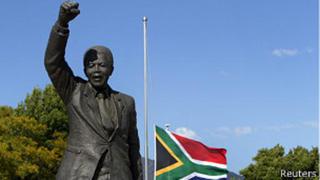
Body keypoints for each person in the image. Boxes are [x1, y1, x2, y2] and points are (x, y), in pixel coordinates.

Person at [44, 1, 142, 180]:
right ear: (84, 70)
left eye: (102, 65)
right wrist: (62, 24)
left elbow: (133, 149)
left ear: (111, 69)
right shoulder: (74, 91)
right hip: (80, 174)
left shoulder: (127, 102)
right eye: (91, 66)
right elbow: (53, 62)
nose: (96, 70)